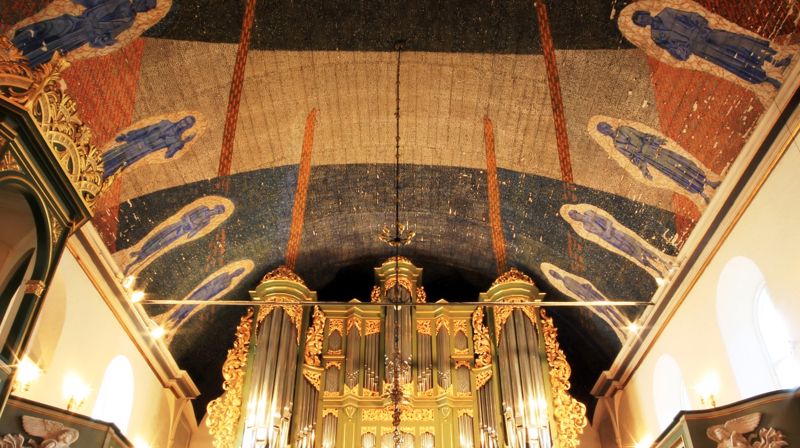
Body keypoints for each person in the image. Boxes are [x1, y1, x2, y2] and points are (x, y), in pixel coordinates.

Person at [632, 8, 790, 89]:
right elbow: (673, 51)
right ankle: (768, 79)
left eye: (642, 16)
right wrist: (684, 50)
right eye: (640, 21)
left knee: (737, 42)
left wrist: (702, 25)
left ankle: (775, 61)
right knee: (730, 62)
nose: (644, 20)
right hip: (698, 48)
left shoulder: (667, 12)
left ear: (646, 13)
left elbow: (691, 16)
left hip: (704, 33)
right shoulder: (657, 36)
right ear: (642, 25)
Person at [597, 121, 720, 203]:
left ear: (609, 126)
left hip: (655, 149)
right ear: (604, 134)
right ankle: (702, 194)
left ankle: (709, 182)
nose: (607, 131)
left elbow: (642, 135)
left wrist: (656, 140)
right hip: (651, 159)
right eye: (604, 131)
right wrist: (644, 170)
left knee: (682, 163)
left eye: (606, 128)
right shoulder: (617, 145)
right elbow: (632, 158)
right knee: (676, 173)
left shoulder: (624, 129)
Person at [12, 0, 158, 68]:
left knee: (52, 46)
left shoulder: (129, 19)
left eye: (145, 7)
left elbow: (109, 33)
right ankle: (16, 43)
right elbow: (95, 3)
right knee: (46, 28)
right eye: (144, 3)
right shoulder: (123, 5)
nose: (142, 7)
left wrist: (105, 40)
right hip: (78, 22)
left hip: (82, 34)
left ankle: (25, 60)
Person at [124, 204, 225, 273]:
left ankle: (133, 263)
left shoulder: (207, 221)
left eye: (218, 212)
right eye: (218, 209)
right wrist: (189, 223)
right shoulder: (203, 208)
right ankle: (140, 251)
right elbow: (186, 215)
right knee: (159, 235)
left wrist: (192, 233)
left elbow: (197, 229)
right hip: (179, 225)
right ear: (215, 207)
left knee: (162, 243)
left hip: (181, 232)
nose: (216, 211)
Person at [568, 208, 669, 277]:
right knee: (634, 254)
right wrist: (607, 231)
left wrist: (607, 230)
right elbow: (602, 234)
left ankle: (664, 262)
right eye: (573, 217)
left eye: (574, 214)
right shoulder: (586, 226)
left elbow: (608, 221)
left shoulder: (589, 212)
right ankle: (657, 271)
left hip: (616, 233)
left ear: (577, 212)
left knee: (640, 246)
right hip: (613, 240)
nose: (575, 217)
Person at [102, 116, 196, 178]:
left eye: (186, 124)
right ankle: (97, 163)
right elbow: (146, 130)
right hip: (137, 142)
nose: (183, 123)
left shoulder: (176, 140)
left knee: (120, 164)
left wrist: (183, 142)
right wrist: (127, 137)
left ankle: (102, 175)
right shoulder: (165, 123)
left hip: (144, 150)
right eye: (184, 120)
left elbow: (168, 155)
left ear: (188, 127)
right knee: (114, 154)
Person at [161, 267, 246, 330]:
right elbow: (211, 282)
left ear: (238, 275)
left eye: (238, 273)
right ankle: (170, 318)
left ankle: (173, 325)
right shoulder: (224, 274)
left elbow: (217, 291)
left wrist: (213, 290)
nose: (236, 273)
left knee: (189, 309)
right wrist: (211, 287)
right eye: (237, 271)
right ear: (235, 270)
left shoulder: (228, 283)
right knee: (185, 305)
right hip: (203, 291)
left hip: (207, 296)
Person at [548, 269, 629, 330]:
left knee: (611, 309)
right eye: (554, 275)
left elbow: (580, 283)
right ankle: (622, 330)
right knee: (607, 315)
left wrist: (586, 286)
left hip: (591, 293)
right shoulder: (565, 285)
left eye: (555, 273)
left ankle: (626, 324)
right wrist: (586, 299)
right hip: (588, 297)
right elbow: (577, 294)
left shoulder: (567, 277)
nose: (556, 275)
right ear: (555, 277)